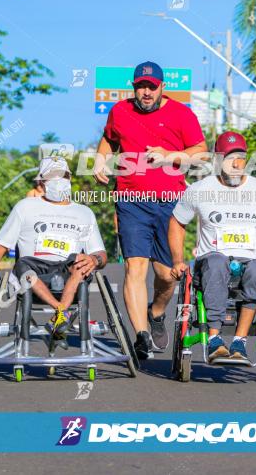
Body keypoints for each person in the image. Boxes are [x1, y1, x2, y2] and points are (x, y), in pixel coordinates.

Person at [93, 60, 207, 360]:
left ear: (162, 87)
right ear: (134, 88)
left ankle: (155, 313)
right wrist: (100, 158)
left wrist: (170, 155)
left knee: (167, 275)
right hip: (131, 200)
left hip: (171, 201)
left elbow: (201, 152)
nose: (146, 92)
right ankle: (141, 335)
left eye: (151, 87)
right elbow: (109, 138)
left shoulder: (181, 114)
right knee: (135, 266)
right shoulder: (120, 111)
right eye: (141, 86)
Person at [168, 131, 256, 363]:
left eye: (241, 157)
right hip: (211, 261)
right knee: (217, 263)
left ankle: (239, 342)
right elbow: (177, 222)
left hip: (250, 262)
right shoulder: (199, 190)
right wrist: (178, 260)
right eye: (229, 158)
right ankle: (215, 339)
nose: (236, 164)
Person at [0, 157, 107, 339]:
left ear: (70, 178)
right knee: (22, 266)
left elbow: (100, 253)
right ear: (41, 181)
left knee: (80, 263)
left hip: (69, 273)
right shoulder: (25, 207)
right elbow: (0, 246)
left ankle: (60, 314)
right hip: (33, 271)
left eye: (63, 175)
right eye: (52, 175)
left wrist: (94, 259)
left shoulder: (84, 213)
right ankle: (61, 312)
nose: (58, 179)